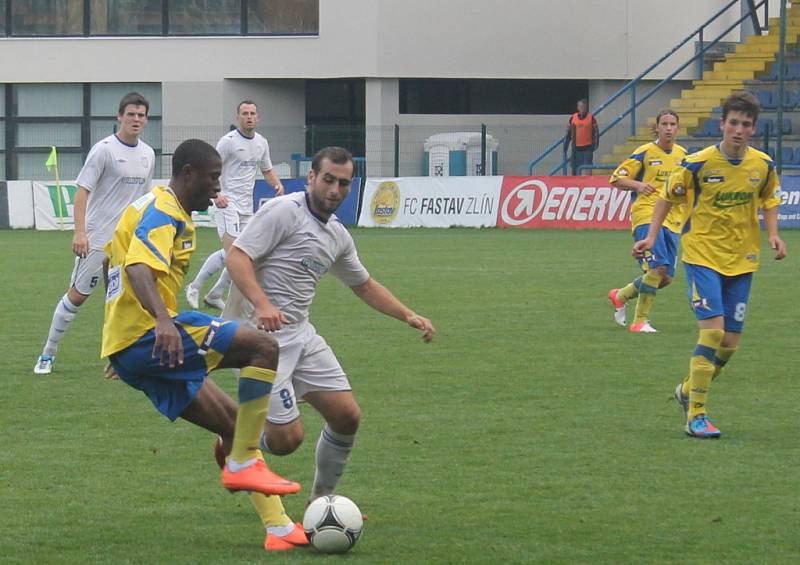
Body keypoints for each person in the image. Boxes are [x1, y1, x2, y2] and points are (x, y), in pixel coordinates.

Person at [222, 146, 435, 542]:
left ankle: (322, 503)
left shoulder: (337, 234)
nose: (335, 189)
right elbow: (237, 257)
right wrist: (262, 303)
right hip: (259, 341)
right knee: (287, 443)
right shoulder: (283, 212)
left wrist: (407, 314)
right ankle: (234, 435)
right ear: (311, 179)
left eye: (344, 183)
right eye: (328, 179)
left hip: (301, 333)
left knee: (347, 416)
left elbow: (364, 285)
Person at [101, 138, 303, 549]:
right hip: (153, 337)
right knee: (263, 348)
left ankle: (280, 531)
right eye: (212, 177)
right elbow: (137, 267)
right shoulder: (163, 212)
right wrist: (158, 322)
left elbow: (112, 262)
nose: (217, 187)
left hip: (136, 347)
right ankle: (243, 461)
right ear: (188, 173)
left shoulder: (151, 206)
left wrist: (118, 342)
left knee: (234, 424)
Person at [633, 92, 787, 438]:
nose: (738, 130)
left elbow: (771, 199)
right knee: (713, 332)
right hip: (702, 255)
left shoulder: (763, 165)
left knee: (729, 345)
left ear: (752, 129)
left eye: (745, 125)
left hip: (743, 259)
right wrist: (651, 237)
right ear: (722, 124)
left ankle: (688, 390)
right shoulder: (698, 163)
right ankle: (696, 415)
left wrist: (774, 234)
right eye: (733, 123)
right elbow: (665, 198)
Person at [34, 92, 156, 374]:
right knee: (77, 296)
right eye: (131, 114)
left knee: (129, 300)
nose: (136, 119)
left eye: (141, 115)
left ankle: (123, 360)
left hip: (129, 241)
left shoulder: (148, 154)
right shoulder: (104, 149)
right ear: (119, 117)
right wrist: (80, 232)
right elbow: (82, 192)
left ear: (146, 119)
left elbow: (145, 198)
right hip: (98, 237)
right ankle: (47, 353)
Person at [185, 100, 285, 311]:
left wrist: (277, 184)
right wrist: (216, 194)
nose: (249, 117)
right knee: (234, 254)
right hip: (226, 203)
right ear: (237, 118)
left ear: (258, 118)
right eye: (245, 113)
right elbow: (209, 170)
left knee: (245, 254)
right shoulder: (228, 142)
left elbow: (267, 170)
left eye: (252, 113)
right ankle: (195, 286)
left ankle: (215, 294)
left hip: (246, 207)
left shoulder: (261, 143)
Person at [607, 109, 687, 333]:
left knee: (666, 278)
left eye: (673, 124)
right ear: (657, 127)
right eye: (665, 124)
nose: (669, 128)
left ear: (678, 128)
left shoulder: (683, 155)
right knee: (657, 267)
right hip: (646, 215)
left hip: (673, 219)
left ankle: (620, 295)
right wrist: (639, 185)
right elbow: (616, 178)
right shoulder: (645, 152)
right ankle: (640, 321)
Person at [563, 98, 599, 175]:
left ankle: (588, 181)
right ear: (577, 107)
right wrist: (566, 145)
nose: (582, 108)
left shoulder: (591, 118)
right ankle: (575, 182)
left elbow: (596, 132)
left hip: (588, 147)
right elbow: (569, 132)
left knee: (588, 166)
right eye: (580, 106)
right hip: (576, 147)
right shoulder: (573, 118)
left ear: (586, 107)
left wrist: (596, 144)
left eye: (583, 106)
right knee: (575, 166)